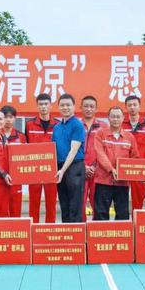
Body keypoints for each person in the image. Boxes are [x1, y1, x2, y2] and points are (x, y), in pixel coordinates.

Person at [93, 107, 138, 220]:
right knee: (101, 213)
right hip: (103, 180)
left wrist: (138, 174)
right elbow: (100, 154)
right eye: (113, 116)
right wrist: (111, 169)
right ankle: (101, 233)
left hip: (122, 182)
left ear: (123, 118)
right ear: (108, 118)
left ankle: (121, 233)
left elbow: (134, 158)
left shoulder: (129, 137)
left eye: (118, 117)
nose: (115, 119)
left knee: (122, 214)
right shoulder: (100, 134)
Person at [53, 94, 87, 223]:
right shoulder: (57, 127)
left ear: (74, 107)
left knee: (75, 204)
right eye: (62, 105)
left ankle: (76, 233)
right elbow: (52, 149)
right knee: (64, 203)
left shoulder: (77, 125)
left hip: (74, 167)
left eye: (68, 105)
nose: (65, 107)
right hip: (60, 167)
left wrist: (62, 170)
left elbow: (73, 150)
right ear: (58, 107)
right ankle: (66, 231)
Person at [24, 93, 58, 223]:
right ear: (37, 106)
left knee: (51, 203)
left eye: (46, 104)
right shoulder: (29, 125)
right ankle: (33, 228)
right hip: (34, 170)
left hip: (51, 170)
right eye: (41, 104)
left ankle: (50, 229)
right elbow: (26, 146)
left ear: (51, 106)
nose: (43, 107)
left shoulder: (58, 125)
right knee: (34, 202)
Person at [122, 95, 145, 211]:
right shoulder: (121, 124)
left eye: (135, 105)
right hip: (124, 167)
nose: (132, 107)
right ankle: (125, 221)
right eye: (129, 105)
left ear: (139, 106)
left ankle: (137, 219)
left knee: (139, 200)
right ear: (126, 107)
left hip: (141, 168)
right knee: (121, 199)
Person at [80, 95, 106, 219]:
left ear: (96, 109)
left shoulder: (103, 126)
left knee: (98, 204)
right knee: (79, 203)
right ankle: (81, 228)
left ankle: (97, 229)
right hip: (79, 170)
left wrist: (96, 166)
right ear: (80, 107)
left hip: (99, 171)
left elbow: (107, 149)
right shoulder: (76, 125)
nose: (89, 109)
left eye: (91, 106)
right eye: (86, 106)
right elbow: (70, 148)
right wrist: (83, 166)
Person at [2, 105, 26, 218]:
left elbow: (26, 156)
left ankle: (16, 228)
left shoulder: (21, 136)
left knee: (15, 207)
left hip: (16, 177)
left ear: (15, 118)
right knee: (2, 207)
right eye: (5, 117)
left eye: (10, 117)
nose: (8, 119)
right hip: (0, 175)